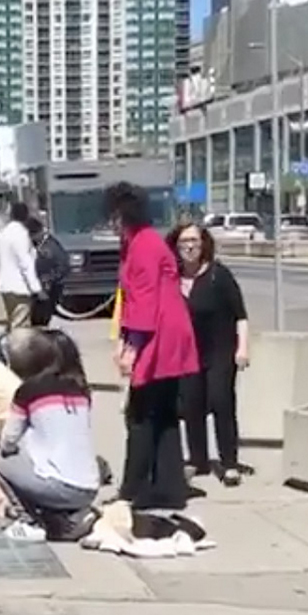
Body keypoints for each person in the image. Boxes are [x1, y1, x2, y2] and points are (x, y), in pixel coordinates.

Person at [105, 182, 199, 511]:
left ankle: (134, 487)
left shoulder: (143, 245)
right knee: (164, 415)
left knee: (141, 415)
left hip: (159, 334)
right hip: (166, 331)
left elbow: (143, 302)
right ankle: (168, 486)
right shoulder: (141, 241)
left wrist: (132, 346)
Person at [0, 330, 100, 542]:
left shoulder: (29, 391)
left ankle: (28, 522)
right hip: (89, 487)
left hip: (58, 486)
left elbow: (7, 441)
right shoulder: (81, 389)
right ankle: (73, 516)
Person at [169, 220, 250, 487]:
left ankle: (229, 463)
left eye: (194, 241)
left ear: (203, 244)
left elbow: (240, 315)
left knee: (221, 402)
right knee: (192, 406)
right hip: (187, 354)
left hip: (221, 351)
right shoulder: (172, 278)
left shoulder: (218, 275)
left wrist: (243, 347)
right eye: (184, 242)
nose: (189, 247)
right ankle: (198, 459)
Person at [0, 201, 42, 332]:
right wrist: (36, 287)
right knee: (21, 326)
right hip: (20, 286)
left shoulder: (3, 233)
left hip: (5, 284)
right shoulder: (20, 234)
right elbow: (25, 262)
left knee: (13, 322)